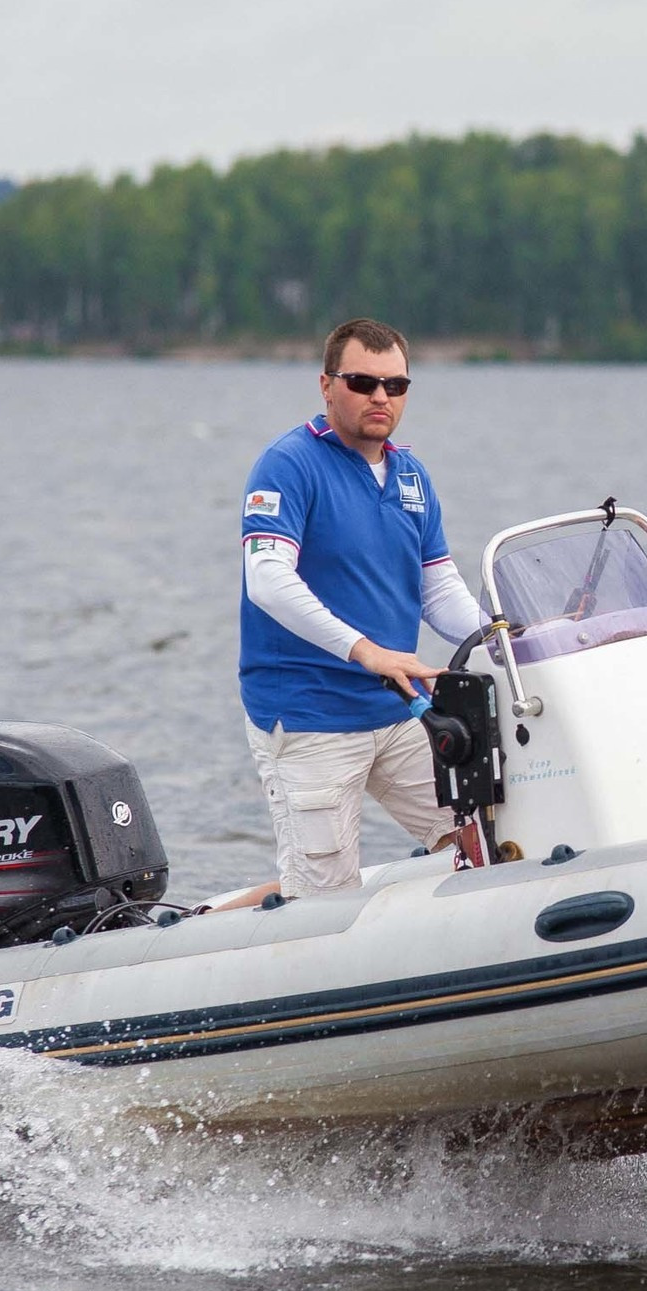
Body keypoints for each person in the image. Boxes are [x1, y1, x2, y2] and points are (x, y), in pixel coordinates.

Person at [218, 317, 491, 906]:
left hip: (398, 711)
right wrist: (366, 651)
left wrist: (505, 640)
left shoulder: (412, 476)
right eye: (363, 381)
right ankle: (215, 926)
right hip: (309, 717)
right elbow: (266, 580)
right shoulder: (288, 465)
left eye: (396, 385)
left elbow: (438, 588)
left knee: (483, 840)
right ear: (326, 384)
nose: (380, 397)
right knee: (323, 900)